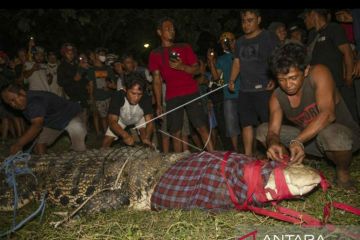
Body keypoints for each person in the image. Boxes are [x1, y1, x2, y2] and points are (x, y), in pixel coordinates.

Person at [256, 43, 360, 190]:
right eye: (281, 79)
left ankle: (343, 173)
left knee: (330, 133)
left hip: (343, 138)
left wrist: (298, 140)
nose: (288, 84)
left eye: (293, 78)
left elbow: (328, 114)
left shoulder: (319, 73)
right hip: (310, 140)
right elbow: (273, 132)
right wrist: (273, 143)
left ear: (305, 71)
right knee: (262, 131)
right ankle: (293, 169)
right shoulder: (277, 97)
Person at [148, 17, 214, 152]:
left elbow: (197, 70)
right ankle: (178, 162)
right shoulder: (155, 54)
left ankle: (214, 158)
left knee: (201, 126)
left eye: (172, 29)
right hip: (172, 96)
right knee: (175, 132)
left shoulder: (184, 47)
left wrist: (182, 66)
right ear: (159, 32)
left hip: (191, 92)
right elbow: (156, 80)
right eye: (167, 29)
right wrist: (159, 104)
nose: (172, 31)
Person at [228, 9, 278, 156]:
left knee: (268, 124)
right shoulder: (240, 42)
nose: (246, 24)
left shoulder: (268, 37)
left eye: (250, 20)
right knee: (246, 123)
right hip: (245, 89)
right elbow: (237, 62)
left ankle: (274, 154)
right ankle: (248, 157)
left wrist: (274, 78)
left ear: (259, 19)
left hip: (264, 89)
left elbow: (277, 58)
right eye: (243, 21)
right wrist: (232, 80)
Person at [1, 84, 87, 155]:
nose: (13, 104)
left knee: (78, 148)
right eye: (10, 103)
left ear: (22, 92)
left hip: (72, 115)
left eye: (13, 100)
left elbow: (37, 125)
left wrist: (18, 144)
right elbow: (37, 124)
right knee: (39, 147)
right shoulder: (24, 101)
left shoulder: (35, 102)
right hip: (53, 121)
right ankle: (45, 169)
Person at [102, 72, 154, 148]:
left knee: (145, 139)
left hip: (139, 118)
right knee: (106, 143)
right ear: (125, 89)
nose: (136, 98)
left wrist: (147, 138)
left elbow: (149, 123)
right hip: (121, 119)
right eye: (133, 93)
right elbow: (112, 121)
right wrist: (125, 135)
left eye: (139, 94)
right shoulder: (117, 96)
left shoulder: (146, 98)